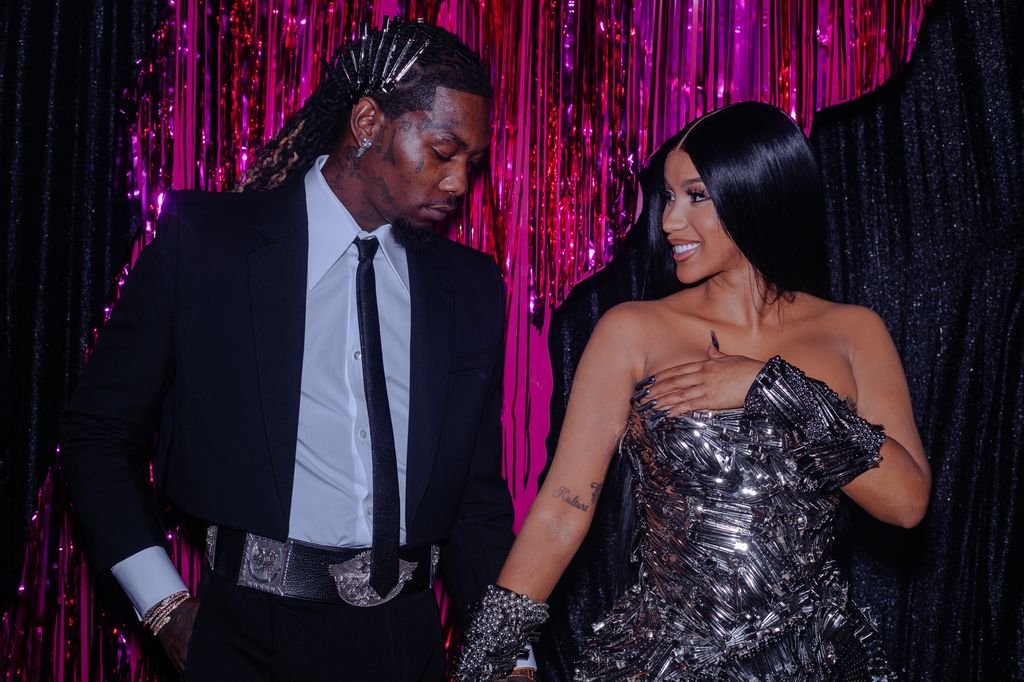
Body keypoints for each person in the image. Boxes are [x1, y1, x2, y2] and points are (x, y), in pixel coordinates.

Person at [61, 19, 523, 680]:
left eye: (470, 165)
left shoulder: (470, 289)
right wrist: (164, 607)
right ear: (368, 121)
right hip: (251, 639)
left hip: (410, 641)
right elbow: (96, 435)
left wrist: (512, 653)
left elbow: (476, 502)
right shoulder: (209, 249)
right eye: (443, 150)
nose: (457, 183)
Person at [454, 101, 931, 680]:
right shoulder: (633, 330)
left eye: (696, 196)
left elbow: (906, 503)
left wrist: (769, 385)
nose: (668, 221)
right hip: (666, 664)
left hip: (816, 664)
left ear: (756, 191)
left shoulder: (854, 332)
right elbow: (562, 510)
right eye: (669, 196)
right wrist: (490, 654)